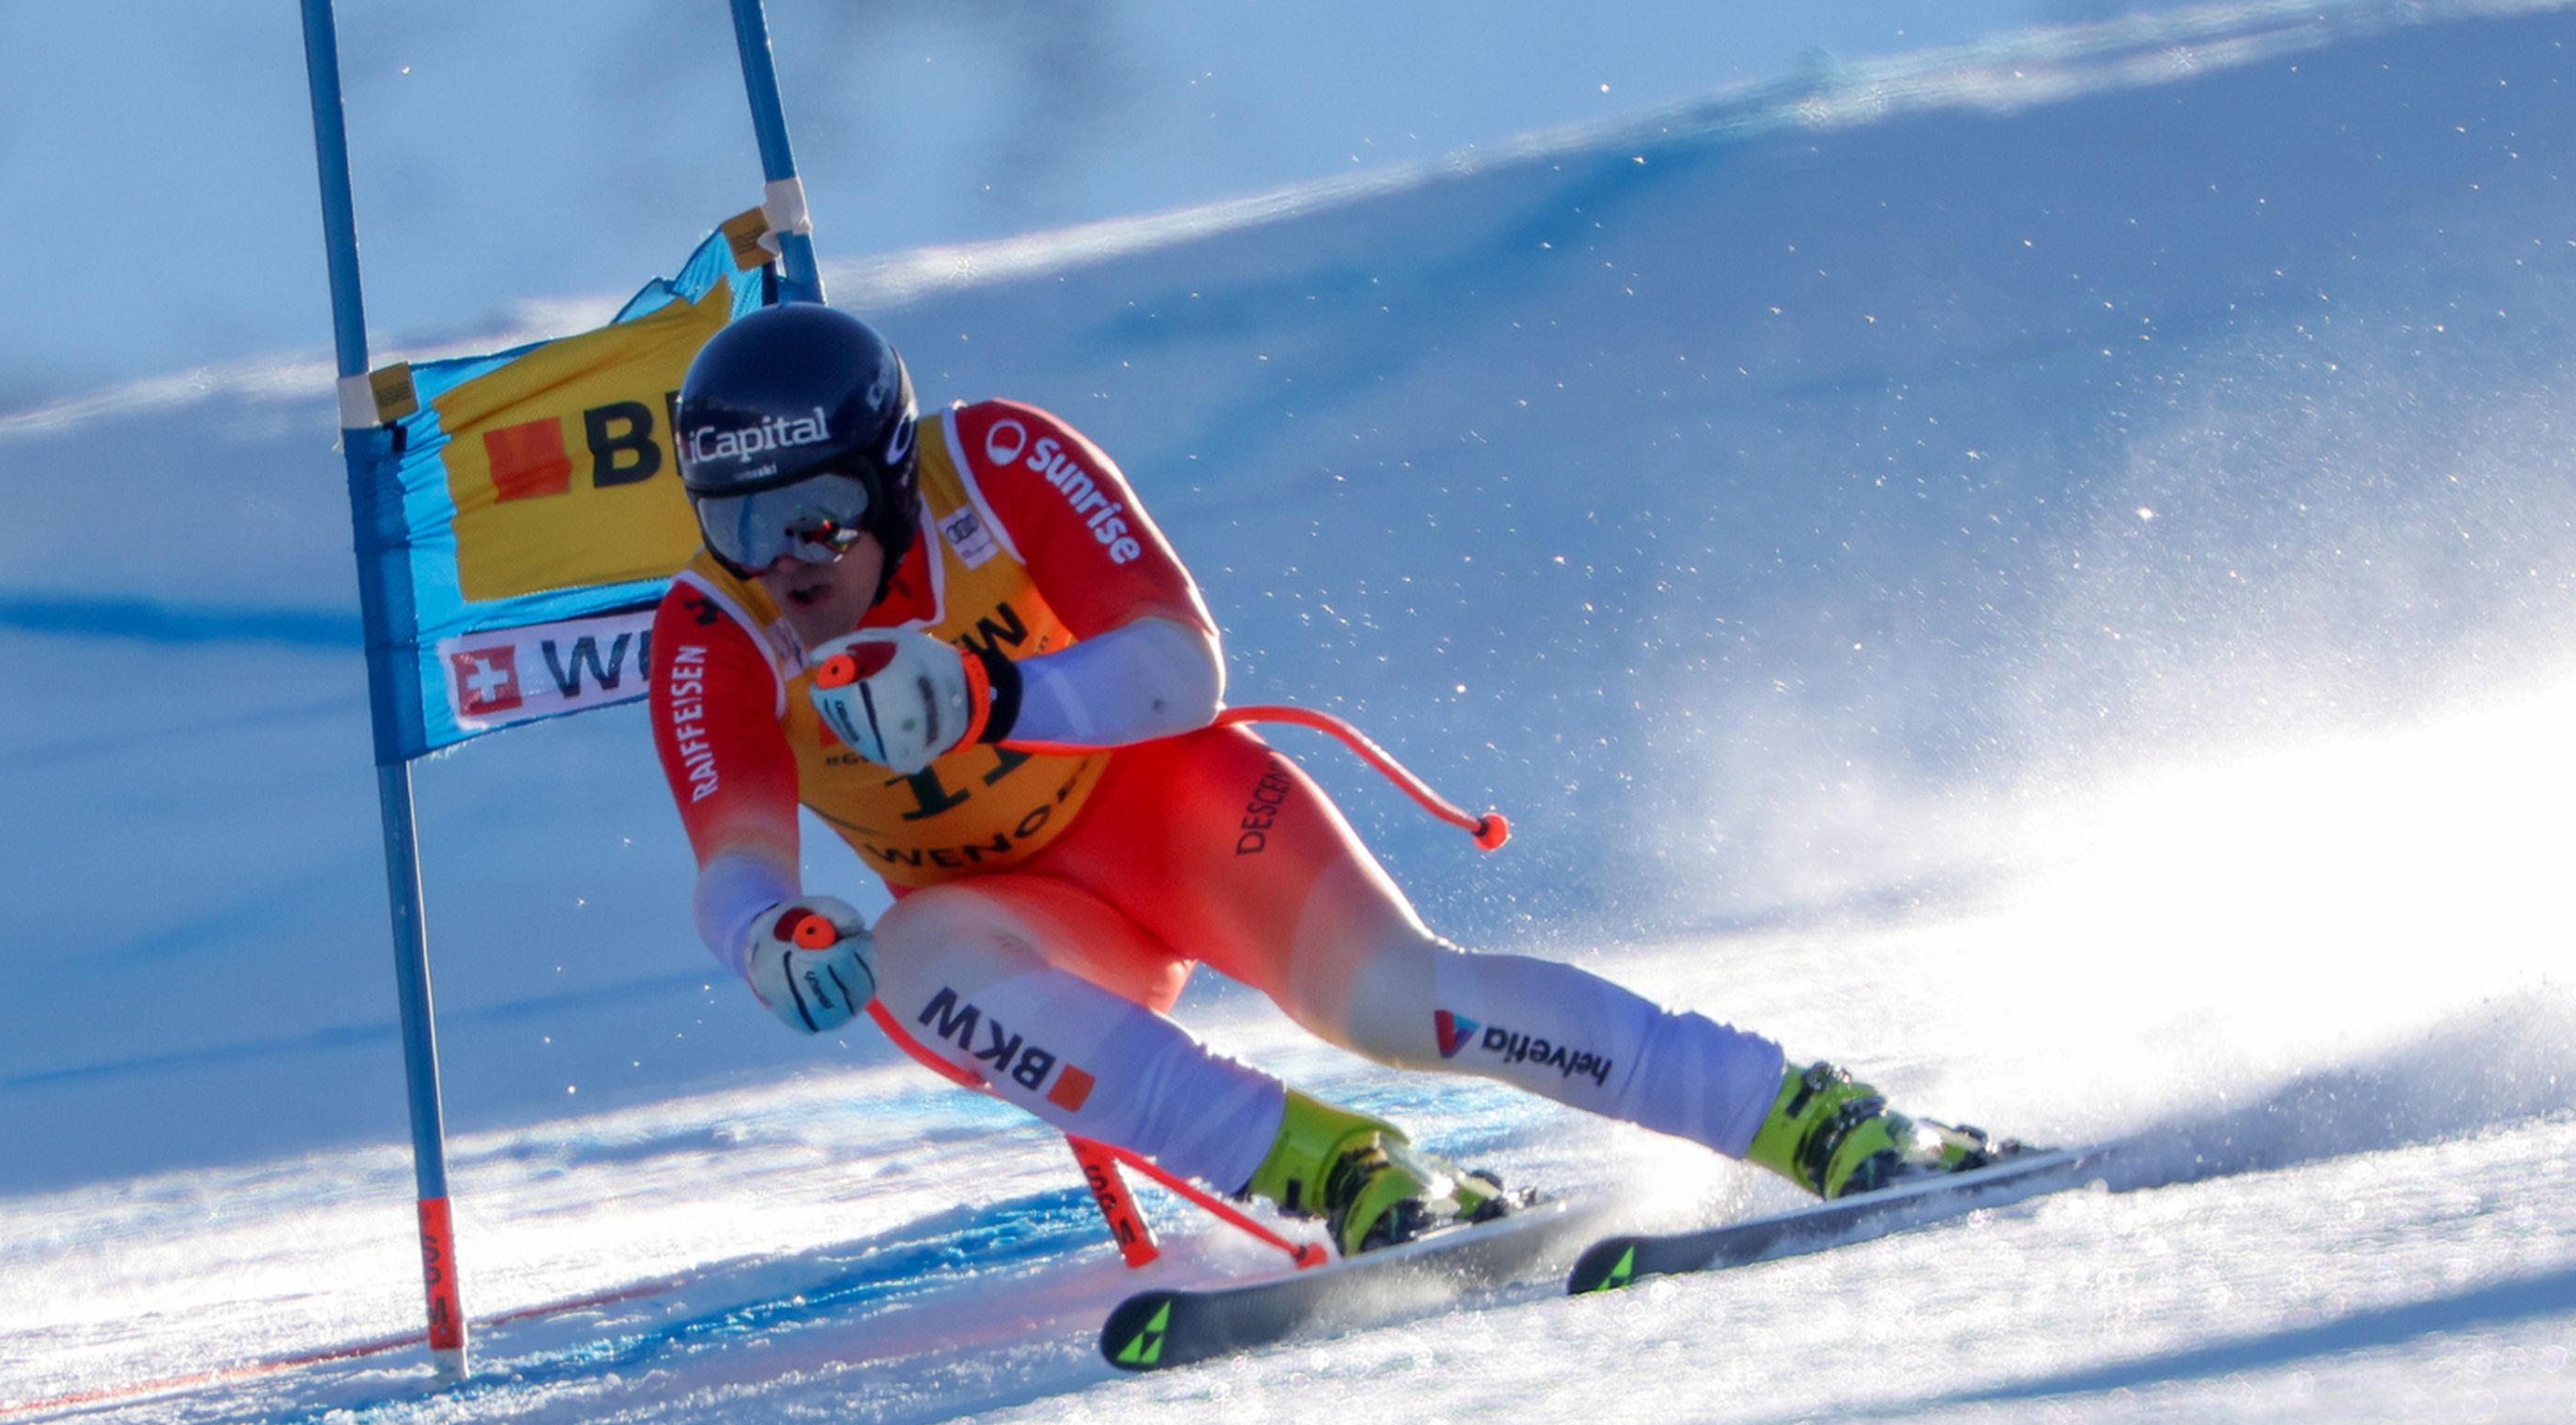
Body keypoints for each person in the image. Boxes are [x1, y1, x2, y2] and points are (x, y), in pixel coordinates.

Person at [648, 302, 2005, 1255]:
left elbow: (1183, 671)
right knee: (915, 963)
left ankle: (1805, 1113)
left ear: (891, 480)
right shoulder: (716, 630)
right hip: (1014, 918)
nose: (783, 560)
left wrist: (997, 694)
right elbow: (738, 863)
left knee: (1397, 1002)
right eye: (739, 522)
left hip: (1168, 815)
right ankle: (1343, 1171)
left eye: (813, 511)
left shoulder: (995, 464)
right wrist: (772, 937)